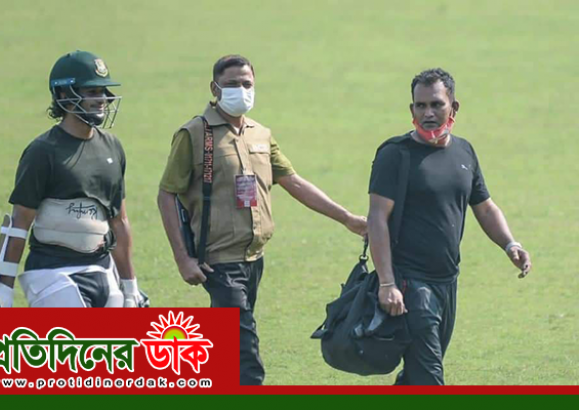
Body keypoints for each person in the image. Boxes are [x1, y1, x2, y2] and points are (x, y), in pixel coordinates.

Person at [157, 54, 367, 385]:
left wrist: (347, 218)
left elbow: (294, 182)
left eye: (247, 83)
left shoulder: (260, 134)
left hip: (255, 258)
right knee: (247, 358)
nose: (240, 90)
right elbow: (167, 194)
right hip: (218, 261)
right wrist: (183, 259)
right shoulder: (194, 134)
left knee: (230, 348)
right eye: (231, 84)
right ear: (214, 88)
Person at [367, 68, 532, 385]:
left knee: (417, 375)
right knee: (430, 378)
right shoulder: (395, 155)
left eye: (436, 104)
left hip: (447, 280)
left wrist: (510, 244)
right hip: (410, 283)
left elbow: (485, 207)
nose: (427, 113)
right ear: (412, 109)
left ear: (453, 107)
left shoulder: (464, 152)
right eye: (420, 105)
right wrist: (387, 283)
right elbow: (377, 219)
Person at [0, 50, 143, 308]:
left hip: (102, 269)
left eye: (102, 91)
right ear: (64, 95)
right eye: (91, 92)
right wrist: (4, 290)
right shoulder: (42, 151)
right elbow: (19, 223)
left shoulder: (112, 147)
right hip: (51, 272)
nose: (101, 99)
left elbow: (119, 222)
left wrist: (131, 288)